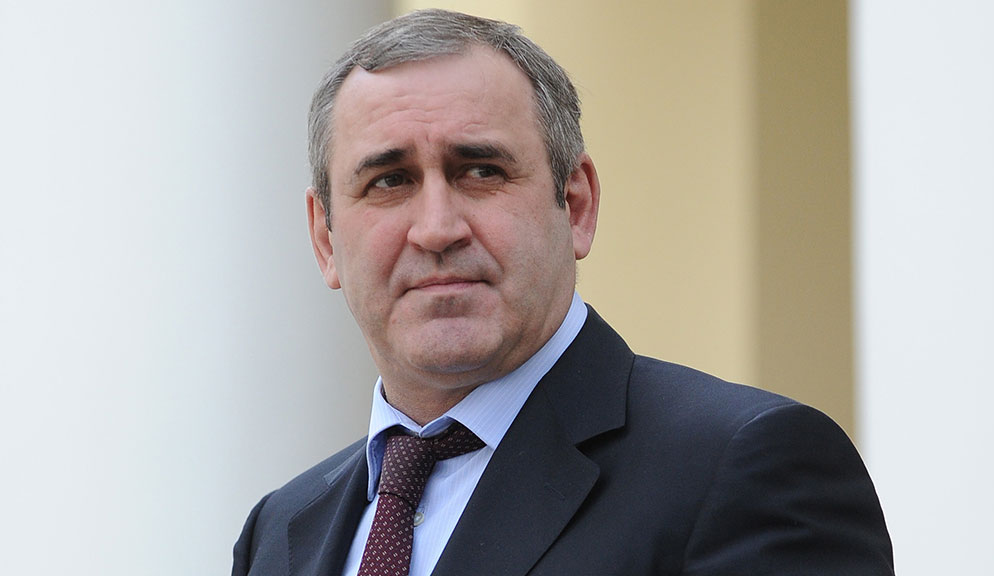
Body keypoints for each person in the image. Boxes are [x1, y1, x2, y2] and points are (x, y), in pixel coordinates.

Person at [232, 9, 894, 576]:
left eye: (481, 171)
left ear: (576, 205)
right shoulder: (282, 530)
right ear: (324, 238)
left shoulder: (745, 469)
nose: (436, 228)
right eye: (388, 181)